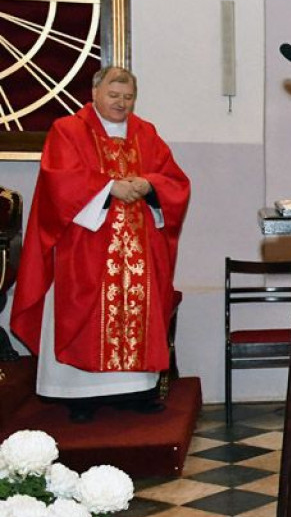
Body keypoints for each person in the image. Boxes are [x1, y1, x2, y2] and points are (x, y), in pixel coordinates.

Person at [11, 66, 191, 422]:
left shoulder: (146, 133)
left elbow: (174, 180)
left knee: (138, 313)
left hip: (138, 250)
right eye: (114, 95)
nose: (121, 103)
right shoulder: (68, 130)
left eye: (128, 97)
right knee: (84, 315)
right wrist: (109, 187)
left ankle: (136, 391)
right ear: (94, 93)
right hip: (85, 248)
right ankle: (80, 396)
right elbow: (58, 182)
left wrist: (148, 183)